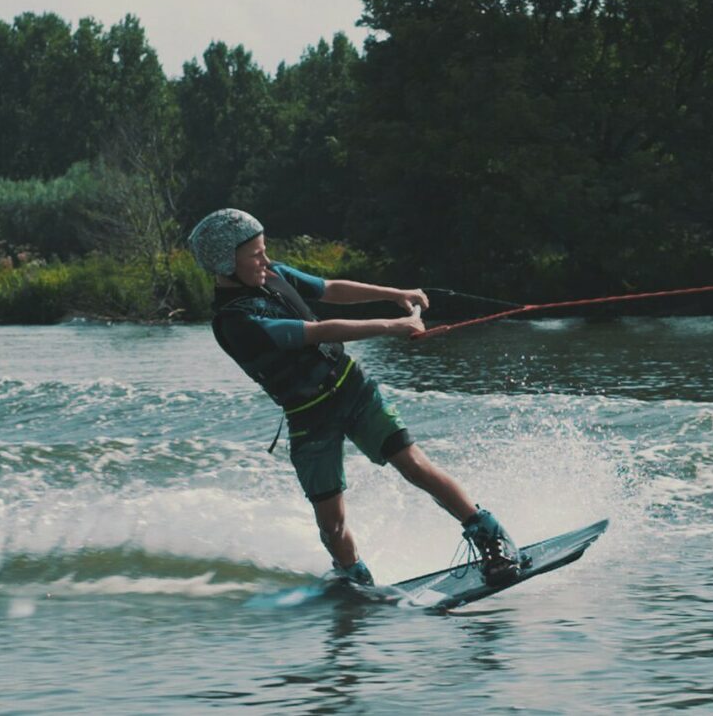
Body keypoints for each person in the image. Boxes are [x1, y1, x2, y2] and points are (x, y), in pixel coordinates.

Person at [188, 208, 524, 586]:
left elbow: (331, 289)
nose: (265, 261)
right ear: (224, 262)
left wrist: (397, 295)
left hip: (351, 386)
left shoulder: (276, 275)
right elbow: (317, 331)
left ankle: (493, 539)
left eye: (265, 251)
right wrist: (393, 326)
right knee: (332, 524)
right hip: (308, 416)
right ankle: (354, 579)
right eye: (255, 255)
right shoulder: (235, 323)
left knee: (414, 465)